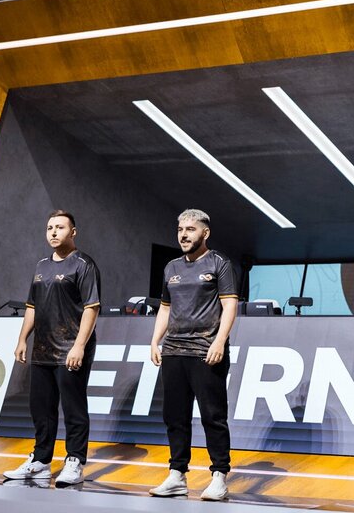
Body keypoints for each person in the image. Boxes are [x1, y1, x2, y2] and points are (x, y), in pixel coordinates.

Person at [4, 210, 100, 487]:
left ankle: (75, 461)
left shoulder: (83, 264)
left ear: (73, 232)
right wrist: (23, 339)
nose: (54, 232)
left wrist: (79, 346)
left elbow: (92, 308)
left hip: (70, 349)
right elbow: (32, 306)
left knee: (73, 407)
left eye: (60, 227)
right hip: (43, 349)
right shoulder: (41, 265)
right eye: (49, 228)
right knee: (41, 408)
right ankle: (41, 461)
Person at [148, 209, 238, 500]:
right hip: (174, 351)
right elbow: (165, 308)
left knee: (213, 416)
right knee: (175, 416)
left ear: (205, 233)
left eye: (190, 229)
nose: (183, 235)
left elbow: (230, 305)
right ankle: (177, 475)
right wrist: (155, 341)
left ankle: (219, 476)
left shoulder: (219, 262)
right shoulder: (171, 267)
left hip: (206, 351)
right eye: (180, 230)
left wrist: (219, 341)